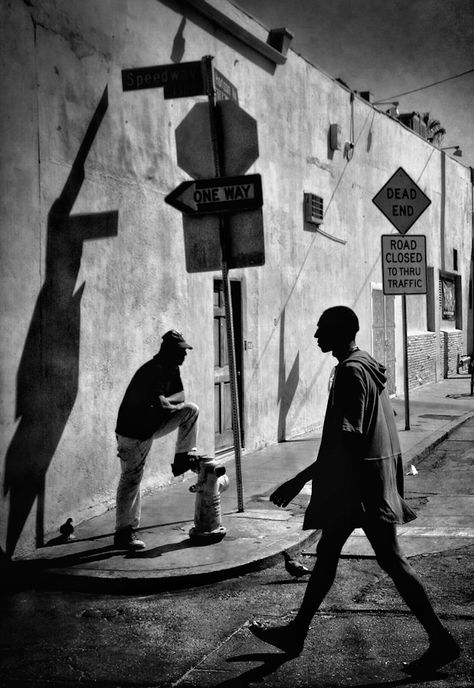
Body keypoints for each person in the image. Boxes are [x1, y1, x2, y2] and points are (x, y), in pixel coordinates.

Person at [250, 306, 460, 675]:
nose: (316, 336)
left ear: (340, 331)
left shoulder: (350, 372)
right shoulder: (365, 364)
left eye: (322, 330)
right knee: (329, 552)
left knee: (390, 561)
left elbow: (347, 439)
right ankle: (297, 632)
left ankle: (441, 639)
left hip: (359, 489)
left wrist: (299, 479)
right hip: (364, 483)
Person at [114, 329, 200, 550]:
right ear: (169, 351)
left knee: (190, 410)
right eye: (181, 351)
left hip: (150, 427)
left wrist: (169, 404)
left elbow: (180, 398)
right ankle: (124, 533)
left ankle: (182, 458)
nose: (185, 355)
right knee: (131, 478)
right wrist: (168, 404)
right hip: (132, 433)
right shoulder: (152, 371)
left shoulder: (172, 369)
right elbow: (162, 403)